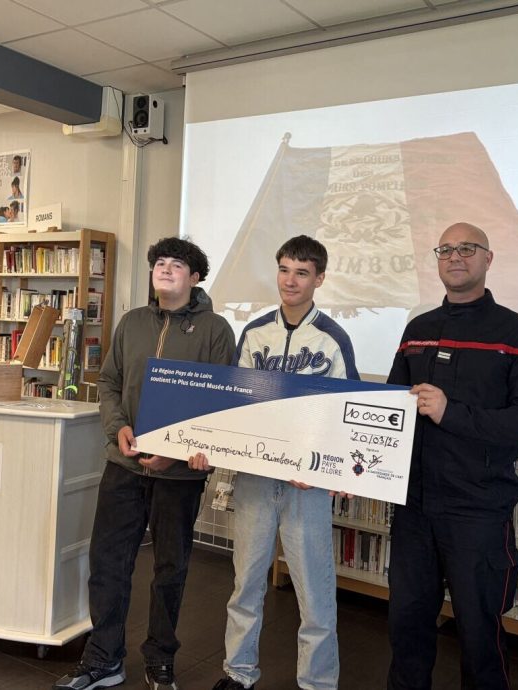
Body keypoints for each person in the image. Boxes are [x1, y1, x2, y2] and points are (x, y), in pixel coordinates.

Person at [53, 237, 235, 690]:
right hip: (124, 465)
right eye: (160, 263)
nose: (166, 269)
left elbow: (217, 402)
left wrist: (175, 450)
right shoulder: (132, 322)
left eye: (178, 265)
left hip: (178, 475)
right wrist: (118, 428)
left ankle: (160, 660)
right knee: (108, 564)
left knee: (170, 570)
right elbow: (110, 382)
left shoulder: (215, 330)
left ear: (195, 278)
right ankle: (103, 660)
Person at [386, 222, 518, 690]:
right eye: (445, 249)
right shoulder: (417, 330)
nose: (455, 257)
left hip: (477, 511)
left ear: (488, 258)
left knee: (479, 637)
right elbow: (391, 408)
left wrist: (450, 413)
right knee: (406, 630)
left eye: (466, 248)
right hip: (413, 510)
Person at [191, 235, 359, 690]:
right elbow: (232, 401)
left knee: (315, 593)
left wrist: (329, 470)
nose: (290, 280)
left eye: (302, 272)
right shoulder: (255, 332)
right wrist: (209, 442)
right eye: (284, 269)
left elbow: (347, 413)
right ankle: (238, 672)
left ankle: (317, 682)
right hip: (255, 480)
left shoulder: (332, 338)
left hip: (307, 486)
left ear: (319, 279)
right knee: (245, 583)